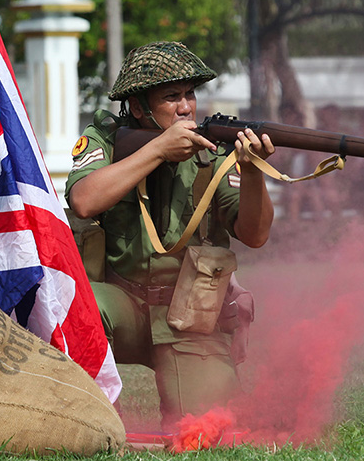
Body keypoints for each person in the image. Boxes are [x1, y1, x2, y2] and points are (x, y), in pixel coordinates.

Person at [65, 42, 276, 426]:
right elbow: (84, 199)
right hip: (120, 303)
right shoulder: (108, 140)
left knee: (211, 424)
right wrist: (159, 149)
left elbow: (255, 233)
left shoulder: (214, 152)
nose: (185, 107)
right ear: (139, 107)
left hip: (189, 315)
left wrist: (254, 172)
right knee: (77, 308)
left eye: (190, 94)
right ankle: (86, 419)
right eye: (171, 96)